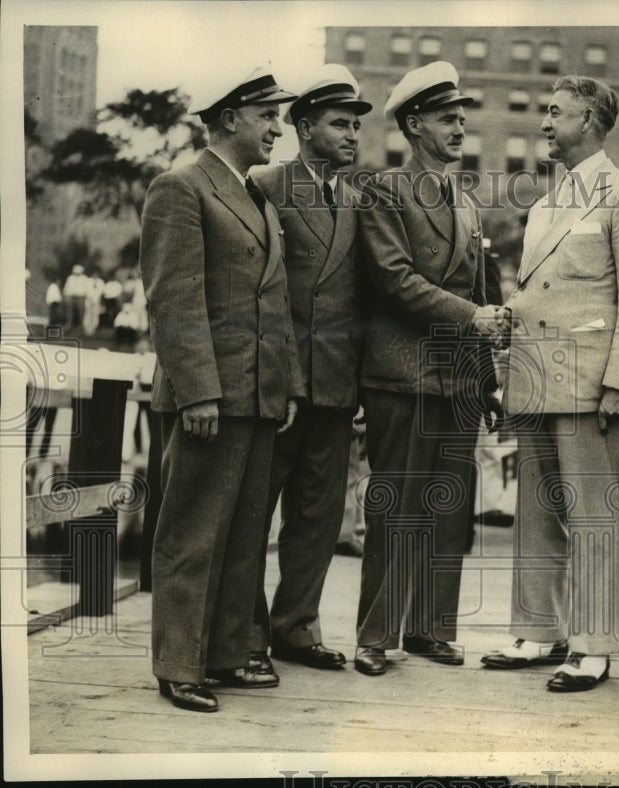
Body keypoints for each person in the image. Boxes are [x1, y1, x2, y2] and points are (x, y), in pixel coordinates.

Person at [481, 75, 619, 691]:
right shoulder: (545, 205)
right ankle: (538, 630)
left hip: (590, 385)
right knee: (536, 512)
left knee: (593, 517)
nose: (544, 123)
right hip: (535, 378)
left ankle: (592, 646)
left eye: (556, 112)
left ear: (588, 119)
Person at [139, 68, 303, 712]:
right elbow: (173, 301)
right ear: (230, 118)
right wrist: (198, 392)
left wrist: (287, 386)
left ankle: (229, 652)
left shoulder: (256, 197)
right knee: (192, 534)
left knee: (242, 536)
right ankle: (179, 664)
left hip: (258, 397)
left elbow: (275, 302)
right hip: (209, 398)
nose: (277, 128)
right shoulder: (180, 187)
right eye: (267, 115)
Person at [353, 61, 505, 676]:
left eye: (461, 117)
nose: (459, 127)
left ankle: (430, 629)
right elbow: (393, 279)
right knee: (396, 508)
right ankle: (375, 635)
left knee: (449, 510)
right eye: (447, 118)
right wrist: (473, 318)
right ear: (415, 125)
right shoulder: (384, 190)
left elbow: (481, 288)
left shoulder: (464, 200)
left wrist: (487, 382)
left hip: (458, 381)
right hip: (403, 376)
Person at [251, 65, 372, 672]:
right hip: (279, 382)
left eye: (356, 126)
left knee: (318, 518)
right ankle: (246, 634)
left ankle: (296, 628)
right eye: (339, 124)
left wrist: (360, 384)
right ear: (303, 128)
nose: (352, 135)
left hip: (335, 385)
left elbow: (361, 298)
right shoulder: (266, 184)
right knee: (254, 515)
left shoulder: (356, 198)